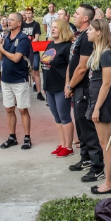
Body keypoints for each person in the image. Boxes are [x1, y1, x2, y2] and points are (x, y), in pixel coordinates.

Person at [65, 4, 104, 181]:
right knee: (81, 126)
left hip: (85, 89)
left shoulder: (89, 37)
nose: (74, 15)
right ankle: (86, 158)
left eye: (76, 13)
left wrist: (70, 86)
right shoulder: (81, 36)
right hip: (78, 88)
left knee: (88, 129)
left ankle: (97, 167)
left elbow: (82, 67)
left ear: (86, 18)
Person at [84, 19, 111, 194]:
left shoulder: (106, 54)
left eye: (90, 29)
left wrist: (97, 108)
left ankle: (109, 183)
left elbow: (106, 84)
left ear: (99, 32)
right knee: (104, 143)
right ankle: (108, 181)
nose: (87, 31)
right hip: (96, 99)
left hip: (102, 102)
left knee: (106, 144)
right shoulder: (98, 52)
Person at [0, 12, 33, 149]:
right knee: (9, 109)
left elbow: (17, 58)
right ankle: (12, 137)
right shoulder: (5, 37)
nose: (8, 21)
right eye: (7, 20)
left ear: (19, 23)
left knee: (23, 109)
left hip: (19, 79)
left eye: (11, 20)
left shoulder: (23, 38)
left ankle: (27, 138)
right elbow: (1, 58)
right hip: (6, 79)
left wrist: (2, 50)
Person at [43, 19, 74, 157]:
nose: (52, 29)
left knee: (64, 116)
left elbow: (70, 67)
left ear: (63, 29)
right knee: (56, 117)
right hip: (50, 86)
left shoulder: (68, 47)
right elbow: (45, 64)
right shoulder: (50, 44)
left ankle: (69, 146)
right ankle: (62, 144)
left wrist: (68, 86)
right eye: (51, 27)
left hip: (61, 87)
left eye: (56, 27)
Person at [22, 7, 43, 101]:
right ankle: (25, 93)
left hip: (34, 51)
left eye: (30, 13)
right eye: (26, 13)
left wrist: (29, 43)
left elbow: (37, 38)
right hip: (24, 52)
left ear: (32, 14)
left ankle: (39, 92)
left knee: (36, 71)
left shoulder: (36, 24)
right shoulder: (22, 25)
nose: (28, 15)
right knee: (24, 72)